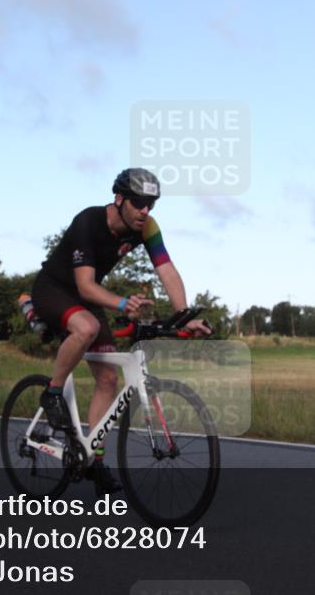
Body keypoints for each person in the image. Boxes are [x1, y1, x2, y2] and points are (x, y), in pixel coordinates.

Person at [31, 168, 211, 495]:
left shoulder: (146, 229)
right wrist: (122, 302)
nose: (145, 211)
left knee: (108, 379)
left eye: (151, 205)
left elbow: (166, 270)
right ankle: (53, 393)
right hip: (54, 289)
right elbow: (84, 286)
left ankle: (94, 458)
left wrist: (183, 317)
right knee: (87, 326)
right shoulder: (89, 221)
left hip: (88, 294)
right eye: (139, 203)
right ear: (120, 199)